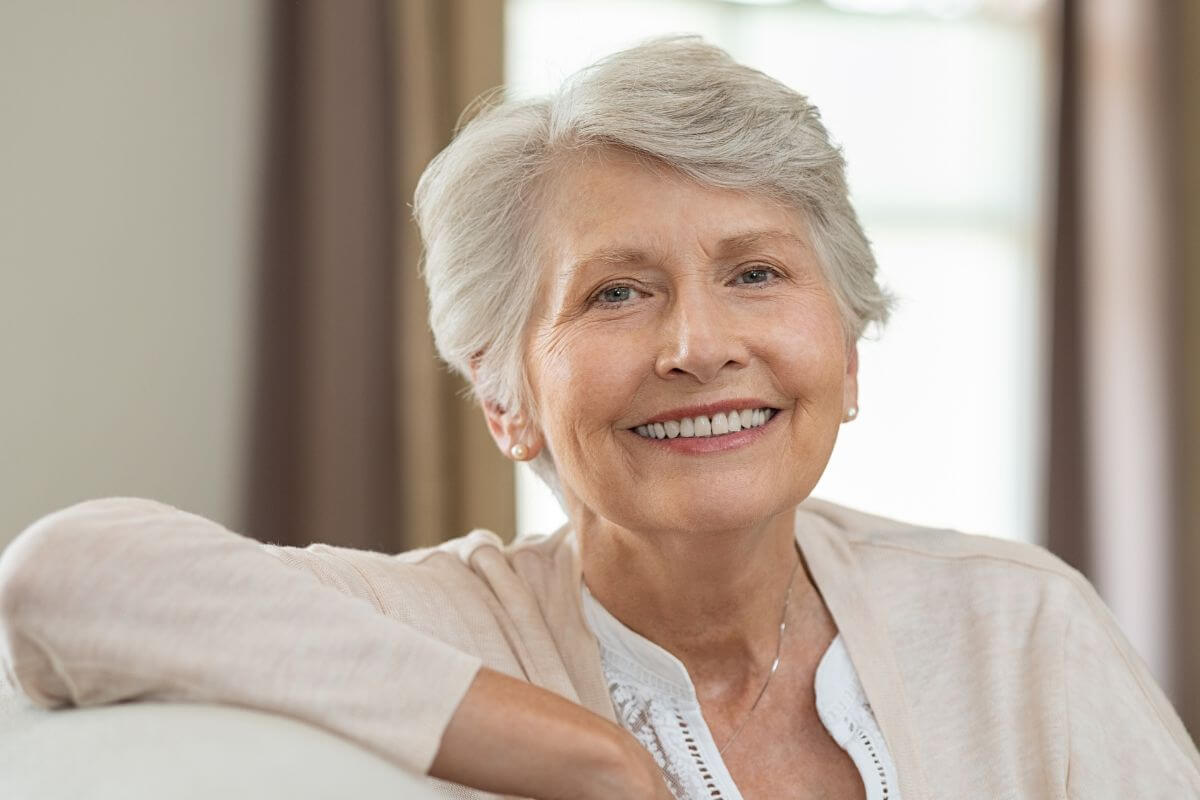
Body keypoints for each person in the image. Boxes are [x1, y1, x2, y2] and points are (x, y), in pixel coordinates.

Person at [1, 36, 1198, 800]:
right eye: (616, 292)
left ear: (846, 344)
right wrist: (587, 756)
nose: (698, 345)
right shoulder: (443, 622)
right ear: (506, 398)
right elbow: (70, 578)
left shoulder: (1015, 622)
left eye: (758, 273)